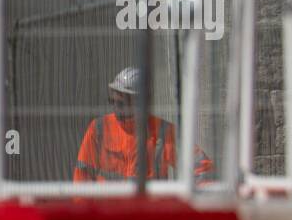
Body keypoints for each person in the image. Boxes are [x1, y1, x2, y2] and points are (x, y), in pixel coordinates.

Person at [73, 67, 214, 183]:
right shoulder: (99, 129)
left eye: (121, 103)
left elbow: (202, 168)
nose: (115, 107)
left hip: (150, 214)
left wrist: (195, 207)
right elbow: (82, 176)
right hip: (110, 212)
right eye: (112, 101)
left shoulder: (163, 132)